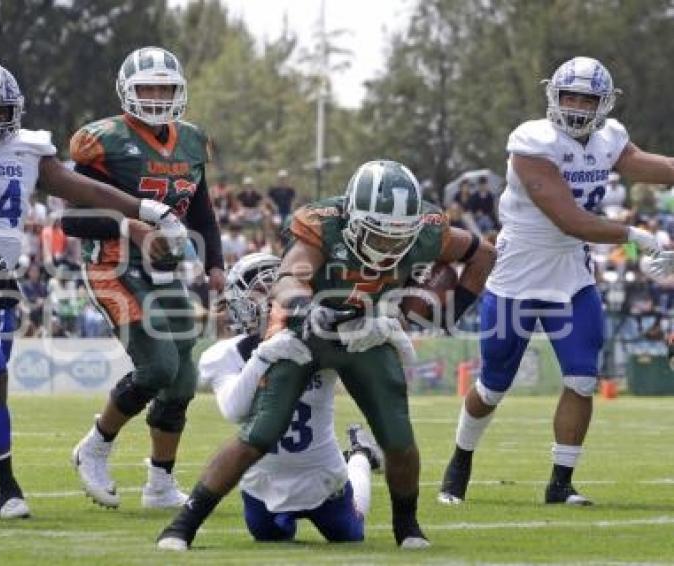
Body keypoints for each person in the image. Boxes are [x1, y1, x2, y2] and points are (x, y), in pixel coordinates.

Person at [157, 159, 496, 551]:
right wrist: (307, 309)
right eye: (378, 234)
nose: (387, 246)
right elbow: (289, 279)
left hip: (366, 335)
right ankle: (184, 525)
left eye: (397, 238)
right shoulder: (322, 224)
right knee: (258, 434)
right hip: (308, 331)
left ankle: (408, 526)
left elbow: (482, 256)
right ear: (352, 218)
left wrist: (443, 316)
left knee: (399, 439)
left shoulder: (428, 231)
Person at [0, 61, 183, 519]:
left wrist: (144, 210)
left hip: (2, 279)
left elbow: (83, 188)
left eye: (1, 112)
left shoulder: (30, 150)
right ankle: (7, 487)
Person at [438, 57, 674, 507]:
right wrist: (638, 235)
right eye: (571, 96)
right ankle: (459, 463)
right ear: (554, 96)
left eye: (588, 98)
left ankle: (560, 482)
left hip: (571, 273)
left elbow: (651, 165)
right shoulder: (532, 142)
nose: (579, 107)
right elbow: (570, 220)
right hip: (519, 274)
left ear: (604, 103)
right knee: (492, 386)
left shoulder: (610, 138)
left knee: (583, 378)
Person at [63, 46, 225, 510]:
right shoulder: (105, 140)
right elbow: (71, 221)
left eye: (165, 88)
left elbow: (202, 210)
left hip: (163, 271)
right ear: (126, 91)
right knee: (157, 368)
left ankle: (159, 483)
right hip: (112, 265)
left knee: (182, 379)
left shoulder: (192, 141)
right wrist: (127, 225)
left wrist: (214, 263)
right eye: (147, 88)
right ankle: (95, 447)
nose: (156, 97)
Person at [200, 252, 411, 543]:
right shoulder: (224, 354)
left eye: (275, 289)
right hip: (261, 484)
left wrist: (379, 327)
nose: (270, 300)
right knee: (270, 539)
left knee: (351, 536)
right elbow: (234, 410)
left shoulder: (319, 339)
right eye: (261, 290)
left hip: (323, 476)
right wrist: (264, 355)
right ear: (239, 301)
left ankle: (360, 456)